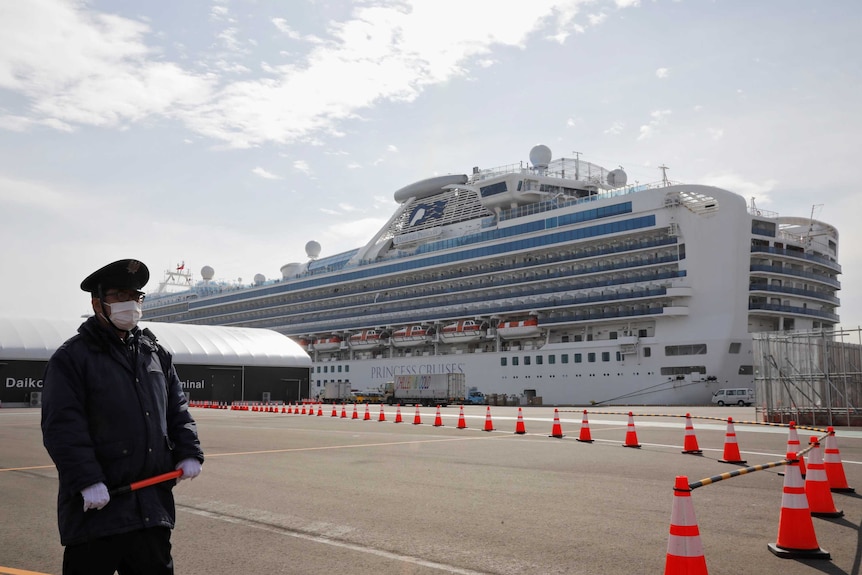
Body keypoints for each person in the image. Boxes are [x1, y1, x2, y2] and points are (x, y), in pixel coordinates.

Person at [41, 259, 204, 575]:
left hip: (151, 507)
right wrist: (87, 480)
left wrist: (188, 451)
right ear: (97, 302)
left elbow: (177, 409)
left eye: (135, 296)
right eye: (118, 295)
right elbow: (63, 427)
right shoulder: (72, 358)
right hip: (98, 508)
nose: (129, 303)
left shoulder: (155, 353)